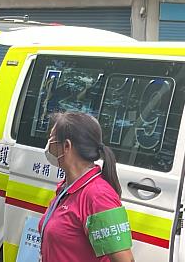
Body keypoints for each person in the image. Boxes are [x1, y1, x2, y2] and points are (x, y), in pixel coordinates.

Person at [39, 112, 135, 262]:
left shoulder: (98, 196)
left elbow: (125, 260)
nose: (48, 147)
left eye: (51, 140)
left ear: (66, 146)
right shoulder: (66, 188)